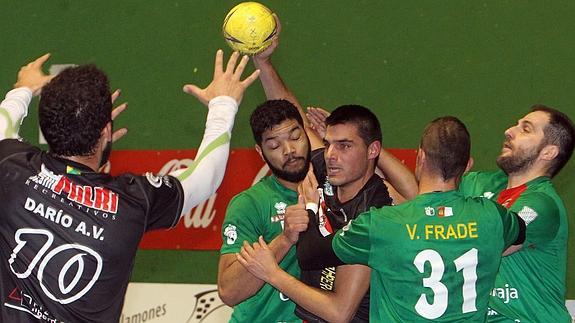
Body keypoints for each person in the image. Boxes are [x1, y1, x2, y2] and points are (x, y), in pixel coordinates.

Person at [0, 50, 259, 322]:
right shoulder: (131, 202)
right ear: (107, 133)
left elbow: (6, 122)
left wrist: (23, 88)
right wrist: (223, 105)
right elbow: (205, 178)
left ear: (45, 125)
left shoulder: (12, 168)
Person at [238, 116, 526, 322]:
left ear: (420, 158)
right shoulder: (492, 217)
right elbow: (523, 233)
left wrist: (311, 208)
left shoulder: (384, 222)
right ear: (469, 165)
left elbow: (313, 254)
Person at [244, 15, 417, 323]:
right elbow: (292, 118)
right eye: (330, 142)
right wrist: (264, 64)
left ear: (371, 151)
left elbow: (340, 312)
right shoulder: (327, 169)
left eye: (345, 146)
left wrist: (272, 273)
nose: (331, 153)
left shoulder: (374, 210)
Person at [459, 106, 574, 322]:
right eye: (516, 124)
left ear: (548, 152)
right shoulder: (479, 183)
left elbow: (491, 245)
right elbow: (420, 203)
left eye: (526, 129)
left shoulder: (542, 204)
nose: (509, 131)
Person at [217, 99, 311, 322]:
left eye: (295, 137)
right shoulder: (250, 203)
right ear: (260, 152)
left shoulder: (337, 191)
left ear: (309, 135)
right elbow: (229, 291)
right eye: (274, 146)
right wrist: (285, 239)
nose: (289, 150)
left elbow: (408, 196)